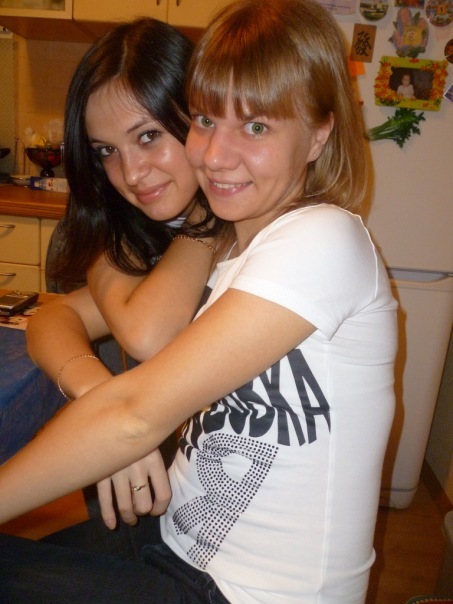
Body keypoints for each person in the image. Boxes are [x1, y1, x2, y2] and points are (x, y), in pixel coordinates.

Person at [0, 0, 398, 602]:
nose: (214, 156)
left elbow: (134, 413)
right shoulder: (231, 248)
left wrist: (118, 418)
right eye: (207, 120)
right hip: (174, 540)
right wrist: (101, 394)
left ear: (320, 133)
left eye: (256, 127)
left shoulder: (324, 238)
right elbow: (62, 320)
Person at [24, 17, 224, 526]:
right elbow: (52, 319)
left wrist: (206, 221)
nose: (131, 174)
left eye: (149, 135)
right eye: (107, 152)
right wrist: (99, 397)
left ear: (200, 118)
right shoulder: (151, 232)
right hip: (178, 501)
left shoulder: (245, 229)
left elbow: (148, 334)